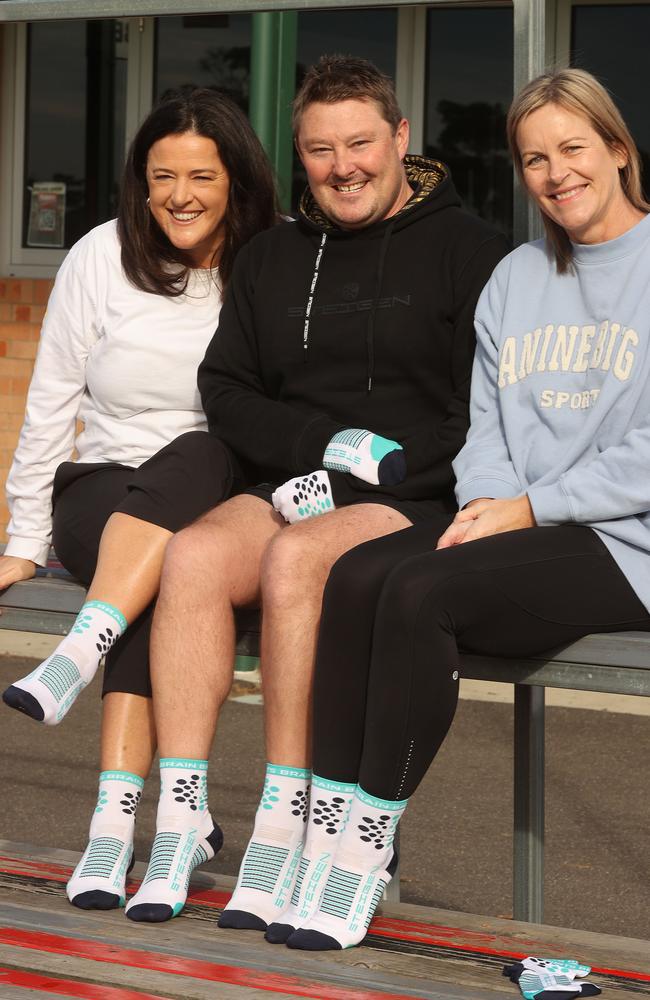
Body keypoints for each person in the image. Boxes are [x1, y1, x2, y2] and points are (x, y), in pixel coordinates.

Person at [267, 66, 650, 953]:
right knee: (358, 574)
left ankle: (364, 848)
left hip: (624, 543)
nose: (556, 175)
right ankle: (322, 838)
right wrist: (486, 503)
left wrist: (526, 507)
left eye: (573, 150)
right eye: (533, 159)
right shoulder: (517, 278)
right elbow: (485, 422)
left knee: (418, 593)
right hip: (520, 522)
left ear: (619, 151)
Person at [122, 54, 508, 925]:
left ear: (402, 139)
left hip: (413, 492)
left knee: (298, 561)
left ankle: (290, 817)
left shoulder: (473, 251)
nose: (346, 167)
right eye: (323, 150)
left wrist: (392, 469)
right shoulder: (271, 256)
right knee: (191, 556)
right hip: (297, 481)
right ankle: (183, 819)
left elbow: (478, 409)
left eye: (363, 143)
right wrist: (320, 446)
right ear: (301, 156)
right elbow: (226, 389)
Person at [0, 87, 277, 911]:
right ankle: (159, 823)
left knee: (194, 463)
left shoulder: (268, 261)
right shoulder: (99, 254)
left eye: (201, 174)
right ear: (140, 180)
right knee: (153, 566)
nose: (180, 194)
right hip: (105, 492)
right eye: (162, 175)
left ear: (236, 180)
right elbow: (50, 400)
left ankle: (111, 820)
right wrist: (24, 534)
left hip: (221, 489)